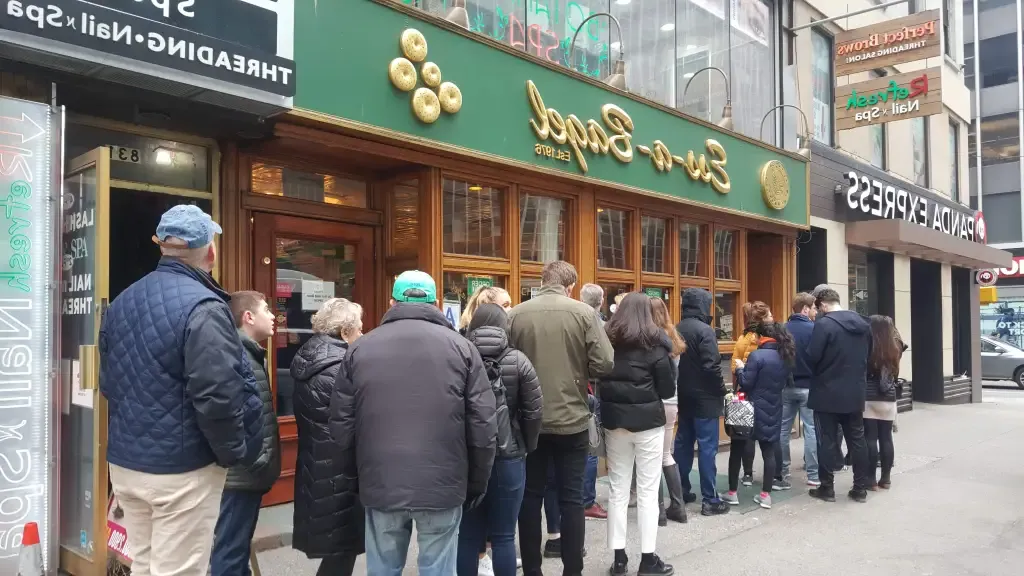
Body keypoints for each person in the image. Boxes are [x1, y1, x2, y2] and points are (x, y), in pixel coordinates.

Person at [99, 205, 262, 576]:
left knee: (144, 564)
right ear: (210, 251)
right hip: (182, 470)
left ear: (162, 247)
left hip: (126, 464)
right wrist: (232, 454)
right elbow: (218, 396)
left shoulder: (122, 301)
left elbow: (109, 383)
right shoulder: (204, 307)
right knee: (180, 571)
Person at [329, 271, 497, 576]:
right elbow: (484, 425)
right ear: (435, 303)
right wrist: (475, 483)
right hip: (443, 484)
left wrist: (356, 480)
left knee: (383, 568)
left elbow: (341, 425)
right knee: (438, 569)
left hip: (381, 481)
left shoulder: (360, 349)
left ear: (392, 301)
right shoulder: (462, 348)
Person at [509, 261, 614, 576]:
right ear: (570, 286)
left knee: (530, 496)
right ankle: (573, 570)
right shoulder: (583, 313)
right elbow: (605, 363)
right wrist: (579, 370)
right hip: (572, 418)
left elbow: (503, 363)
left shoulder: (515, 314)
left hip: (529, 421)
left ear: (542, 281)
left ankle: (532, 570)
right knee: (571, 499)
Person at [458, 304, 543, 576]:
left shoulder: (459, 357)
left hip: (468, 456)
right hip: (509, 456)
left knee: (468, 536)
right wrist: (526, 445)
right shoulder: (519, 361)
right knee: (505, 536)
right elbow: (534, 412)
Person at [598, 293, 676, 576]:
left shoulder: (607, 343)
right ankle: (648, 558)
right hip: (648, 423)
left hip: (614, 422)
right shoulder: (655, 346)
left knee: (617, 489)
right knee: (647, 489)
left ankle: (619, 559)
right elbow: (667, 390)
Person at [291, 298, 366, 576]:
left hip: (318, 466)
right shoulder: (340, 367)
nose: (362, 333)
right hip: (340, 472)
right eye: (359, 328)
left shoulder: (309, 357)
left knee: (339, 552)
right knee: (341, 552)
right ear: (345, 332)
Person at [212, 291, 282, 576]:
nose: (273, 315)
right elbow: (227, 417)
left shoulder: (249, 353)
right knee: (230, 551)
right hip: (240, 476)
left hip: (245, 475)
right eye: (266, 309)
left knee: (235, 549)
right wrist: (256, 459)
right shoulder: (237, 356)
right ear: (248, 316)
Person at [806, 288, 872, 503]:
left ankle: (827, 487)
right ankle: (860, 488)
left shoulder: (824, 325)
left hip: (827, 391)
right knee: (857, 438)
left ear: (823, 304)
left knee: (827, 438)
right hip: (855, 391)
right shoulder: (863, 324)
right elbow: (868, 355)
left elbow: (812, 356)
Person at [723, 322, 794, 510]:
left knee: (737, 450)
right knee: (768, 451)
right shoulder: (785, 356)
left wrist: (739, 368)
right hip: (773, 408)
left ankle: (732, 493)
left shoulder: (757, 355)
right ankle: (765, 495)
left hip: (748, 409)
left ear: (761, 337)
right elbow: (787, 382)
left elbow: (746, 383)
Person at [674, 288, 730, 516]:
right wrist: (721, 390)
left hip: (682, 396)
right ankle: (710, 499)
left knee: (683, 444)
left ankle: (682, 490)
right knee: (707, 448)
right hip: (706, 399)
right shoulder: (705, 330)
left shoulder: (676, 328)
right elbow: (712, 367)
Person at [649, 297, 687, 525]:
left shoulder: (650, 340)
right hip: (672, 402)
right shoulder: (673, 337)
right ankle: (678, 507)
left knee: (652, 459)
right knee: (666, 455)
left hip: (654, 402)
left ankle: (659, 511)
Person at [780, 293, 820, 488]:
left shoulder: (783, 329)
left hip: (786, 386)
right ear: (805, 308)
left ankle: (783, 473)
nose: (815, 312)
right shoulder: (815, 329)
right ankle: (813, 474)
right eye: (813, 308)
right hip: (809, 387)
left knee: (782, 430)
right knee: (811, 430)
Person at [733, 301, 773, 487]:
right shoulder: (770, 341)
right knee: (769, 438)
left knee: (746, 434)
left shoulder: (742, 340)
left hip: (746, 391)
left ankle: (747, 474)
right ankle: (774, 477)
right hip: (766, 392)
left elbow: (734, 367)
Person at [864, 315, 905, 491]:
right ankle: (886, 479)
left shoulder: (867, 345)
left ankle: (871, 479)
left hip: (868, 396)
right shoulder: (895, 348)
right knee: (886, 437)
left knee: (870, 438)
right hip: (888, 396)